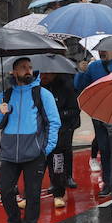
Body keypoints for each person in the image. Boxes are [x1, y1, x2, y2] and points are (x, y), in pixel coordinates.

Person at [0, 56, 60, 223]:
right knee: (5, 190)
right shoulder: (5, 95)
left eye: (29, 67)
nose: (28, 70)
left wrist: (46, 148)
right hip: (9, 153)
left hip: (34, 154)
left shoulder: (42, 94)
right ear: (14, 72)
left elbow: (54, 122)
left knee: (32, 194)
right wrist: (1, 112)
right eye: (23, 67)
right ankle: (14, 222)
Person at [75, 48, 112, 197]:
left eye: (105, 49)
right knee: (105, 150)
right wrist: (81, 72)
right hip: (99, 115)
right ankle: (108, 184)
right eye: (99, 49)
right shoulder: (93, 67)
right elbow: (80, 87)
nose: (102, 52)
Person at [40, 68, 80, 209]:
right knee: (38, 163)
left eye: (48, 73)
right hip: (41, 132)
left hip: (61, 130)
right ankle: (30, 194)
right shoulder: (36, 87)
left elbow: (74, 110)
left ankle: (59, 192)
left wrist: (57, 115)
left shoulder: (66, 86)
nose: (44, 75)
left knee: (58, 163)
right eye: (42, 73)